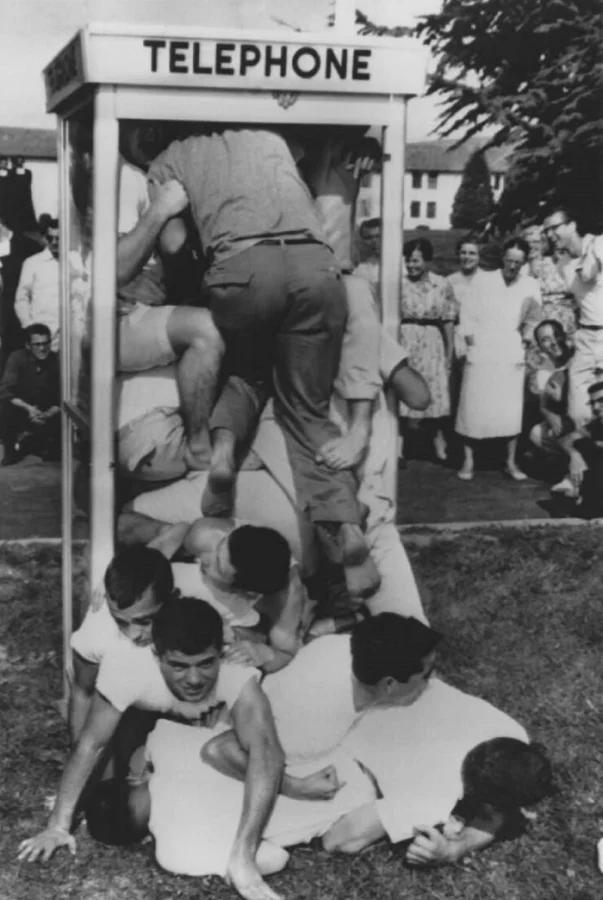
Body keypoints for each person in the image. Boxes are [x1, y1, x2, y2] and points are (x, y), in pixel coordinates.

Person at [147, 127, 378, 605]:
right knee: (307, 409)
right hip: (315, 266)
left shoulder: (168, 159)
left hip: (242, 267)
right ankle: (346, 527)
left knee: (245, 374)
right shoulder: (270, 135)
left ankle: (223, 453)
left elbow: (171, 243)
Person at [18, 596, 285, 900]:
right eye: (179, 666)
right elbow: (92, 743)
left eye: (206, 663)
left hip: (205, 735)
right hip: (144, 726)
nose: (194, 679)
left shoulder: (234, 670)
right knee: (115, 778)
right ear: (156, 654)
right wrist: (58, 825)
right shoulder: (127, 667)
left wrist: (243, 857)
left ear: (220, 653)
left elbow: (267, 753)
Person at [455, 238, 542, 481]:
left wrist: (525, 342)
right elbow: (467, 315)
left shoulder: (530, 284)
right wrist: (472, 345)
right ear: (502, 258)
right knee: (473, 405)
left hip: (510, 349)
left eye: (518, 262)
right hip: (482, 347)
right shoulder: (482, 280)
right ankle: (468, 460)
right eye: (509, 260)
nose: (512, 266)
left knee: (510, 409)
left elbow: (534, 318)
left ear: (524, 262)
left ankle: (510, 462)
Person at [68, 545, 175, 743]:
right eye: (121, 622)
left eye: (144, 621)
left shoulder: (195, 614)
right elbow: (83, 691)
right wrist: (77, 746)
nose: (133, 635)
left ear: (171, 600)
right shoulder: (97, 633)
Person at [399, 238, 458, 464]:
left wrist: (449, 352)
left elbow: (448, 321)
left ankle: (438, 443)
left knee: (434, 391)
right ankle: (399, 445)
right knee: (404, 389)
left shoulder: (441, 284)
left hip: (432, 341)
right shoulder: (399, 284)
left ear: (427, 260)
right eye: (407, 260)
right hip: (405, 339)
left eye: (415, 260)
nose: (410, 265)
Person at [543, 207, 603, 427]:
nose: (550, 234)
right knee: (578, 411)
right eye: (546, 231)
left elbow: (590, 273)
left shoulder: (598, 244)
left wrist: (591, 252)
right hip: (586, 338)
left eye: (555, 228)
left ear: (572, 225)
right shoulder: (564, 266)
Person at [0, 323, 60, 464]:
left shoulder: (57, 360)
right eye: (37, 344)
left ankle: (47, 446)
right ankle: (10, 451)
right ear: (28, 345)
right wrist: (29, 409)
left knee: (53, 456)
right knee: (4, 408)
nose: (42, 348)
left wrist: (48, 414)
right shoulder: (17, 358)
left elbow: (63, 395)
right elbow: (6, 391)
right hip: (23, 408)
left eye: (46, 343)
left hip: (47, 410)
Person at [527, 320, 575, 491]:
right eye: (545, 339)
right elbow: (545, 408)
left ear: (564, 335)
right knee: (538, 433)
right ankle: (570, 466)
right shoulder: (544, 372)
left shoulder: (581, 356)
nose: (553, 342)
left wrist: (563, 396)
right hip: (567, 420)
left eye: (556, 335)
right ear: (540, 347)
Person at [13, 218, 60, 351]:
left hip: (68, 337)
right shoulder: (32, 263)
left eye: (58, 238)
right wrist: (30, 327)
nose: (54, 242)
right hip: (42, 339)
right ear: (45, 238)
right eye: (50, 238)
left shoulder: (73, 262)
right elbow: (21, 299)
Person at [558, 380, 603, 518]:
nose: (595, 407)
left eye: (601, 401)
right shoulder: (596, 425)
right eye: (592, 403)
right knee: (581, 444)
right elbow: (565, 440)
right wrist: (574, 455)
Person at [353, 217, 381, 300]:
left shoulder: (405, 261)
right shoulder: (362, 270)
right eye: (368, 237)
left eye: (378, 236)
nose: (374, 240)